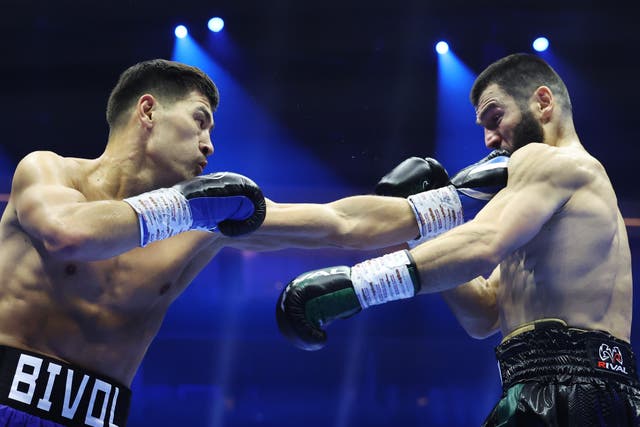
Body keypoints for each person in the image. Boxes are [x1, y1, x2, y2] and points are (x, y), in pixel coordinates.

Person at [0, 58, 509, 427]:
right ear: (148, 111)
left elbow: (339, 222)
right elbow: (69, 234)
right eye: (199, 119)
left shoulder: (204, 223)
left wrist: (453, 201)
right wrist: (188, 205)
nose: (210, 144)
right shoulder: (49, 172)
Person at [276, 53, 640, 426]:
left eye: (496, 118)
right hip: (564, 387)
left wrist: (361, 286)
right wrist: (429, 233)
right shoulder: (549, 200)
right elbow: (483, 314)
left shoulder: (554, 162)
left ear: (542, 102)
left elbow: (483, 242)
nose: (489, 140)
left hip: (569, 389)